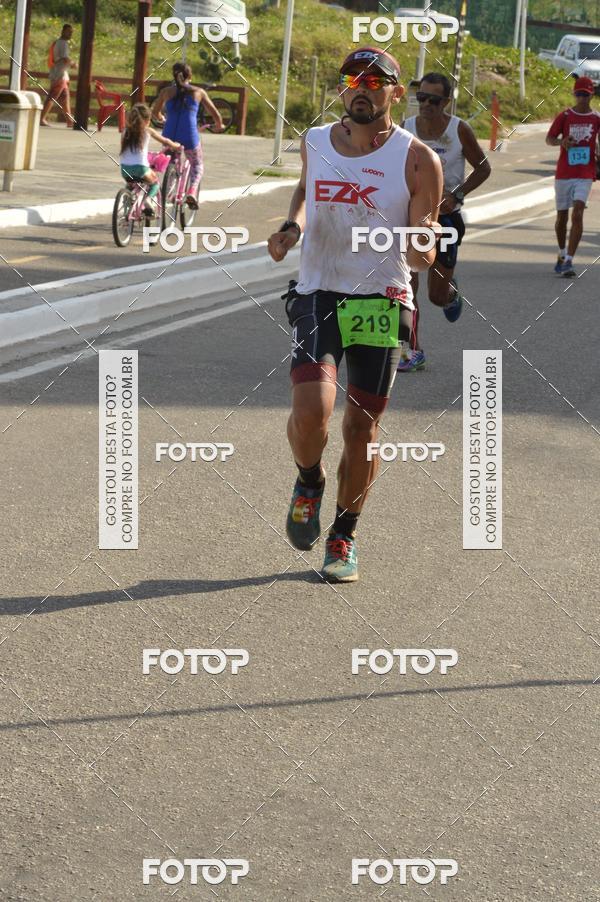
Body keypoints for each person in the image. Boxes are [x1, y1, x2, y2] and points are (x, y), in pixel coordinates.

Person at [267, 48, 443, 583]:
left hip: (382, 299)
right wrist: (292, 224)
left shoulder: (418, 160)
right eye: (351, 79)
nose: (360, 87)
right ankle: (308, 481)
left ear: (396, 92)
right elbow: (305, 187)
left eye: (374, 80)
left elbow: (423, 243)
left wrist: (422, 249)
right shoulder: (315, 142)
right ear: (342, 89)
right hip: (320, 289)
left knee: (362, 429)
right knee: (311, 410)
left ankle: (343, 535)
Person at [398, 72, 491, 372]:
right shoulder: (406, 129)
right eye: (421, 98)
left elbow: (483, 168)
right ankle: (412, 350)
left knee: (436, 296)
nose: (425, 104)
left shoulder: (459, 129)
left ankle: (451, 293)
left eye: (433, 100)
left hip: (446, 219)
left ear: (446, 102)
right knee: (406, 287)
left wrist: (458, 193)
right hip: (411, 217)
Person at [546, 76, 600, 278]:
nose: (582, 98)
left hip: (585, 172)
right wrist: (562, 142)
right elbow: (549, 139)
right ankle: (561, 253)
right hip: (564, 173)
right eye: (579, 94)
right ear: (574, 94)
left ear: (591, 95)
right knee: (562, 217)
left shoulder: (596, 118)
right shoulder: (565, 116)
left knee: (578, 212)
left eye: (585, 94)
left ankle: (569, 259)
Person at [151, 63, 224, 209]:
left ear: (173, 75)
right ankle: (191, 191)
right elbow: (216, 114)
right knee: (197, 164)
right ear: (190, 76)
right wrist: (219, 125)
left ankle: (167, 192)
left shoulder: (166, 92)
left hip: (169, 134)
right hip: (189, 134)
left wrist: (160, 118)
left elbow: (155, 112)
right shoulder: (198, 92)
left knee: (171, 161)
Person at [119, 104, 180, 215]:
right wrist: (175, 146)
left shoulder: (125, 131)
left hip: (124, 169)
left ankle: (127, 200)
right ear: (147, 120)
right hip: (141, 168)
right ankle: (148, 200)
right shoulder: (148, 131)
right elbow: (165, 141)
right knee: (155, 183)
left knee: (131, 183)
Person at [40, 24, 77, 127]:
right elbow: (65, 58)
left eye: (71, 32)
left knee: (65, 98)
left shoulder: (59, 42)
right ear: (63, 31)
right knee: (52, 96)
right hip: (59, 74)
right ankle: (41, 118)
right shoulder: (63, 43)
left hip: (61, 74)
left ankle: (69, 121)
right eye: (69, 31)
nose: (70, 34)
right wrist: (74, 64)